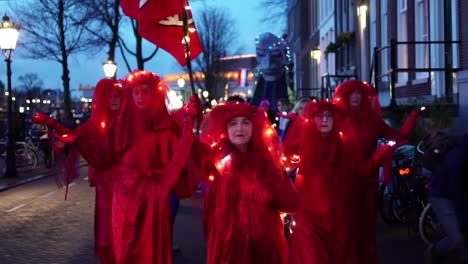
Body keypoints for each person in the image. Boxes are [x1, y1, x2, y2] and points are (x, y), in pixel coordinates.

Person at [288, 100, 395, 264]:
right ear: (312, 119)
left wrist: (382, 153)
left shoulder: (345, 145)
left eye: (328, 116)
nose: (324, 120)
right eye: (319, 116)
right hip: (310, 219)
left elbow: (363, 170)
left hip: (340, 219)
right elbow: (282, 168)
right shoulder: (302, 145)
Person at [109, 70, 199, 264]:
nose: (140, 97)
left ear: (155, 94)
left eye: (145, 92)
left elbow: (179, 157)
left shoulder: (165, 127)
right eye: (136, 93)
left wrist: (190, 122)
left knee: (149, 248)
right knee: (125, 247)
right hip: (124, 198)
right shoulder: (120, 125)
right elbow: (108, 156)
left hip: (152, 200)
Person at [32, 78, 123, 263]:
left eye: (117, 97)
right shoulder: (95, 124)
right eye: (110, 97)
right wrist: (52, 123)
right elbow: (74, 135)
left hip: (125, 183)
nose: (113, 100)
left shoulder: (127, 122)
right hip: (106, 184)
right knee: (108, 223)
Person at [332, 80, 423, 263]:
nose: (356, 96)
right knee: (346, 224)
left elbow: (398, 136)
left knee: (366, 223)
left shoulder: (372, 119)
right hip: (344, 178)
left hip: (368, 177)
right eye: (352, 93)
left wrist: (413, 117)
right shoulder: (338, 118)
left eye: (359, 93)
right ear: (345, 96)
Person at [199, 101, 299, 264]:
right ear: (226, 129)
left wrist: (271, 197)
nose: (240, 128)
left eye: (246, 123)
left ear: (253, 128)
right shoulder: (216, 162)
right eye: (233, 123)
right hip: (228, 249)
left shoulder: (268, 163)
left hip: (265, 248)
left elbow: (292, 204)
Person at [425, 133, 468, 263]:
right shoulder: (458, 159)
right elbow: (457, 190)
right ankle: (433, 252)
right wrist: (462, 216)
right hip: (441, 196)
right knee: (457, 238)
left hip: (454, 193)